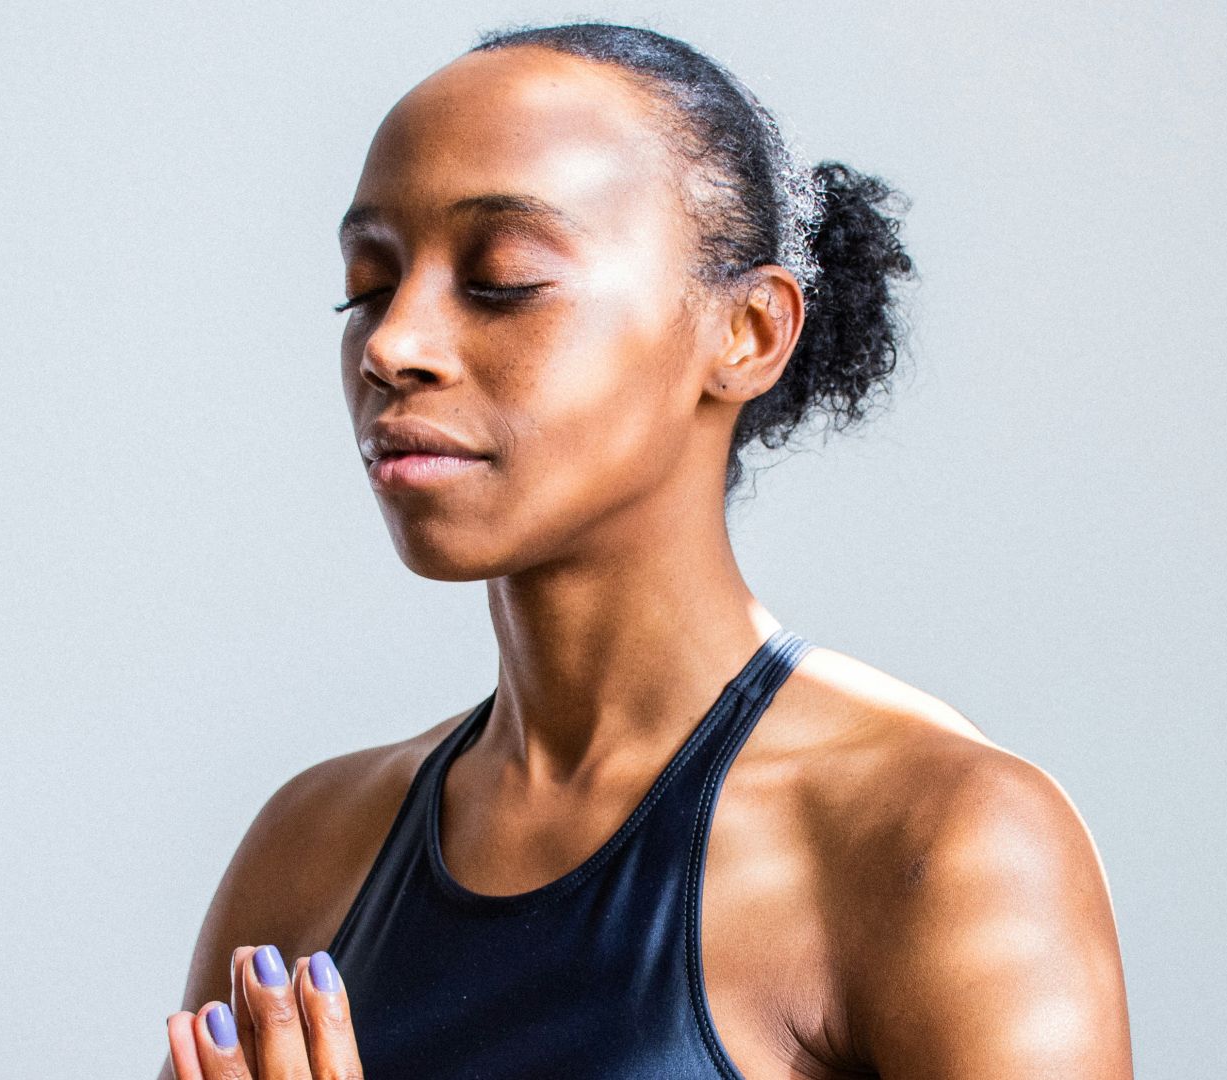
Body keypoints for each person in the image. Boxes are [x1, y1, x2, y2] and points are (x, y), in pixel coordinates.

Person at [160, 21, 1132, 1080]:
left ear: (748, 331)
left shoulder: (943, 842)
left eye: (502, 279)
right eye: (368, 285)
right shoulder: (310, 851)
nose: (393, 345)